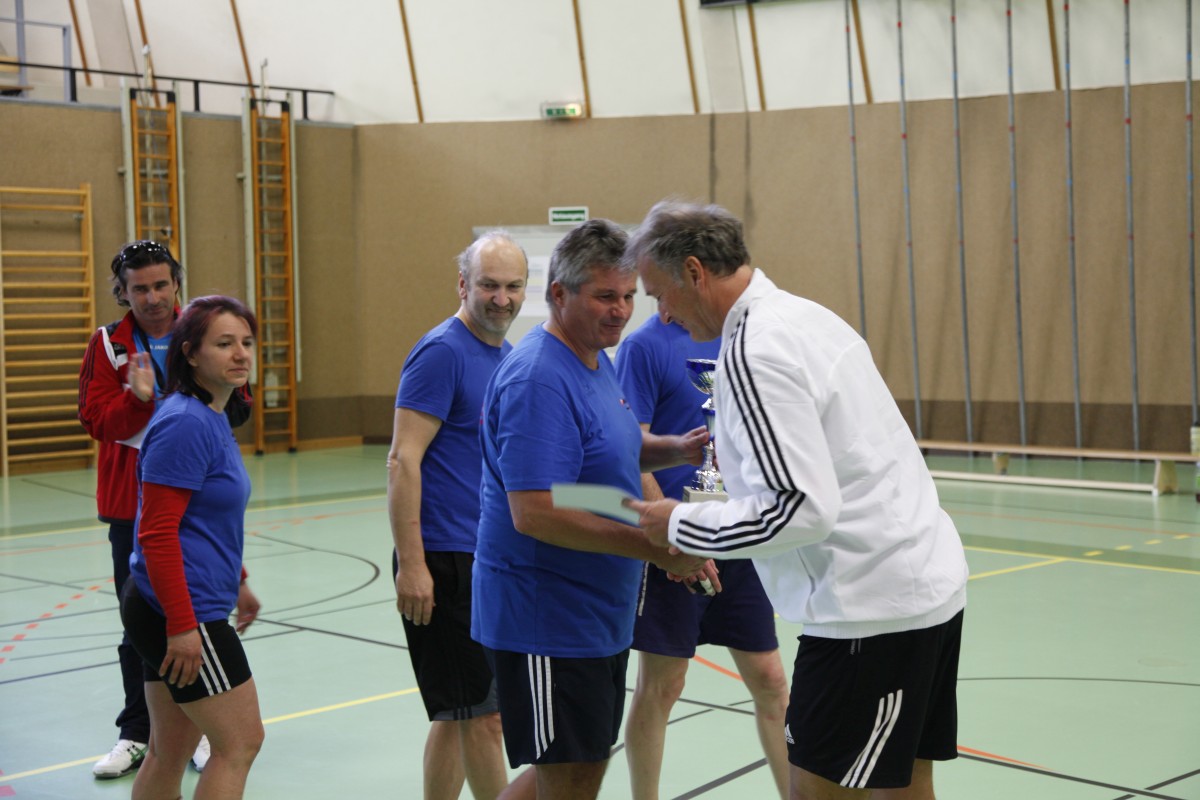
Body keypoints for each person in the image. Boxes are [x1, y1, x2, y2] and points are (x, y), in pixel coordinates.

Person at [625, 201, 969, 800]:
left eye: (661, 294)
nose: (665, 313)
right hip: (919, 590)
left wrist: (683, 525)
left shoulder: (754, 351)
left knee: (815, 791)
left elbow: (800, 508)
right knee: (905, 786)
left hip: (867, 612)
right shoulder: (807, 317)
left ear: (695, 272)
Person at [471, 218, 713, 800]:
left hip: (594, 616)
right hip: (545, 618)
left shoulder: (596, 359)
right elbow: (536, 509)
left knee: (576, 771)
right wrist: (656, 547)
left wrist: (675, 450)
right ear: (559, 293)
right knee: (568, 776)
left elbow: (595, 464)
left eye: (628, 296)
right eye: (606, 296)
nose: (621, 311)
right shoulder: (539, 378)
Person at [78, 241, 238, 778]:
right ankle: (137, 732)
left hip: (197, 499)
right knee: (142, 623)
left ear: (176, 284)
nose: (152, 297)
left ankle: (195, 729)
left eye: (161, 285)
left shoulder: (202, 334)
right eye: (139, 288)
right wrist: (137, 397)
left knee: (199, 613)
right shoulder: (109, 344)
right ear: (123, 292)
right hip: (133, 508)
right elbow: (97, 420)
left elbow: (234, 408)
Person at [616, 315, 790, 800]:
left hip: (736, 535)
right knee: (664, 684)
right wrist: (673, 538)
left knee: (771, 680)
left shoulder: (736, 338)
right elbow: (629, 451)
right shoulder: (643, 347)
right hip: (673, 542)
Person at [387, 231, 529, 800]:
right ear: (463, 285)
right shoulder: (442, 352)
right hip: (444, 559)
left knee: (458, 713)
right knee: (486, 718)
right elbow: (403, 459)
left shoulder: (507, 357)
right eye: (489, 285)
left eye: (513, 286)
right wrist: (413, 564)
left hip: (487, 557)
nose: (502, 299)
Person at [119, 295, 265, 800]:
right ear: (191, 353)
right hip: (182, 611)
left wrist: (238, 580)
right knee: (239, 743)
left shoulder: (210, 414)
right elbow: (157, 533)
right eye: (224, 344)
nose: (240, 354)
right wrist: (182, 626)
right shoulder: (185, 423)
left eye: (246, 342)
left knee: (171, 748)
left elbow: (201, 519)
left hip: (171, 603)